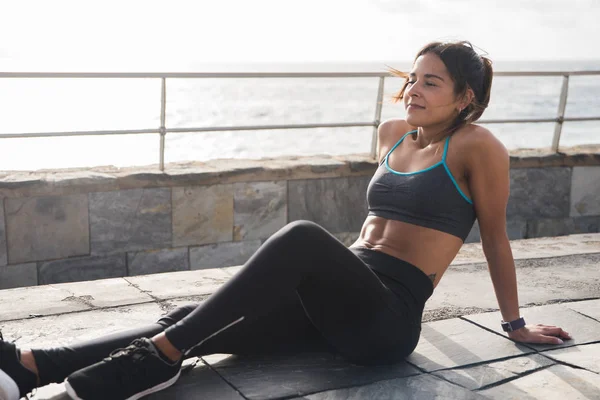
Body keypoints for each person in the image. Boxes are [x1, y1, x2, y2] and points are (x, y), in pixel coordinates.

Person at [0, 41, 571, 400]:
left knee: (301, 236)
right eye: (413, 77)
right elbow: (373, 229)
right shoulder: (394, 135)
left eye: (431, 82)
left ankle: (155, 360)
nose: (412, 90)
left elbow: (495, 238)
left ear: (465, 97)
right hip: (339, 293)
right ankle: (31, 367)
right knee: (192, 317)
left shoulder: (479, 146)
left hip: (385, 318)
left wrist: (515, 325)